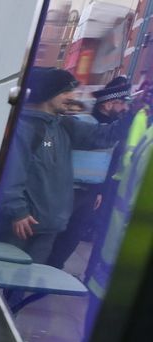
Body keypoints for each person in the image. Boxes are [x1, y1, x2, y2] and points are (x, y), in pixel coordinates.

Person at [0, 68, 129, 264]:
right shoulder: (23, 128)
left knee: (24, 283)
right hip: (21, 226)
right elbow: (11, 174)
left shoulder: (63, 125)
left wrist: (132, 116)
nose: (72, 96)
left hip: (48, 226)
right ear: (48, 93)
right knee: (2, 274)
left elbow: (103, 136)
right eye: (65, 91)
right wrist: (18, 212)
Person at [46, 76, 133, 270]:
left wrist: (100, 190)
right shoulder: (82, 121)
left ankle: (54, 268)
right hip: (68, 188)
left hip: (91, 192)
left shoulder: (112, 128)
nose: (124, 109)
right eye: (120, 104)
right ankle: (42, 267)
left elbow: (110, 163)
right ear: (108, 104)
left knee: (73, 236)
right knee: (54, 233)